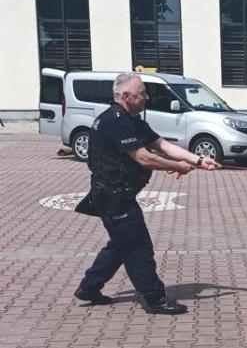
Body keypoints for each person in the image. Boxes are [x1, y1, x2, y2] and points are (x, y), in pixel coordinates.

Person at [74, 72, 218, 314]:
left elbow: (162, 145)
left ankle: (89, 287)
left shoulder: (132, 120)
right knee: (138, 248)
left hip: (117, 195)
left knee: (121, 245)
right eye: (142, 94)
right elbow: (143, 157)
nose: (146, 98)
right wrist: (178, 167)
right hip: (114, 197)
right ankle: (155, 299)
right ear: (127, 96)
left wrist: (199, 160)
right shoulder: (116, 120)